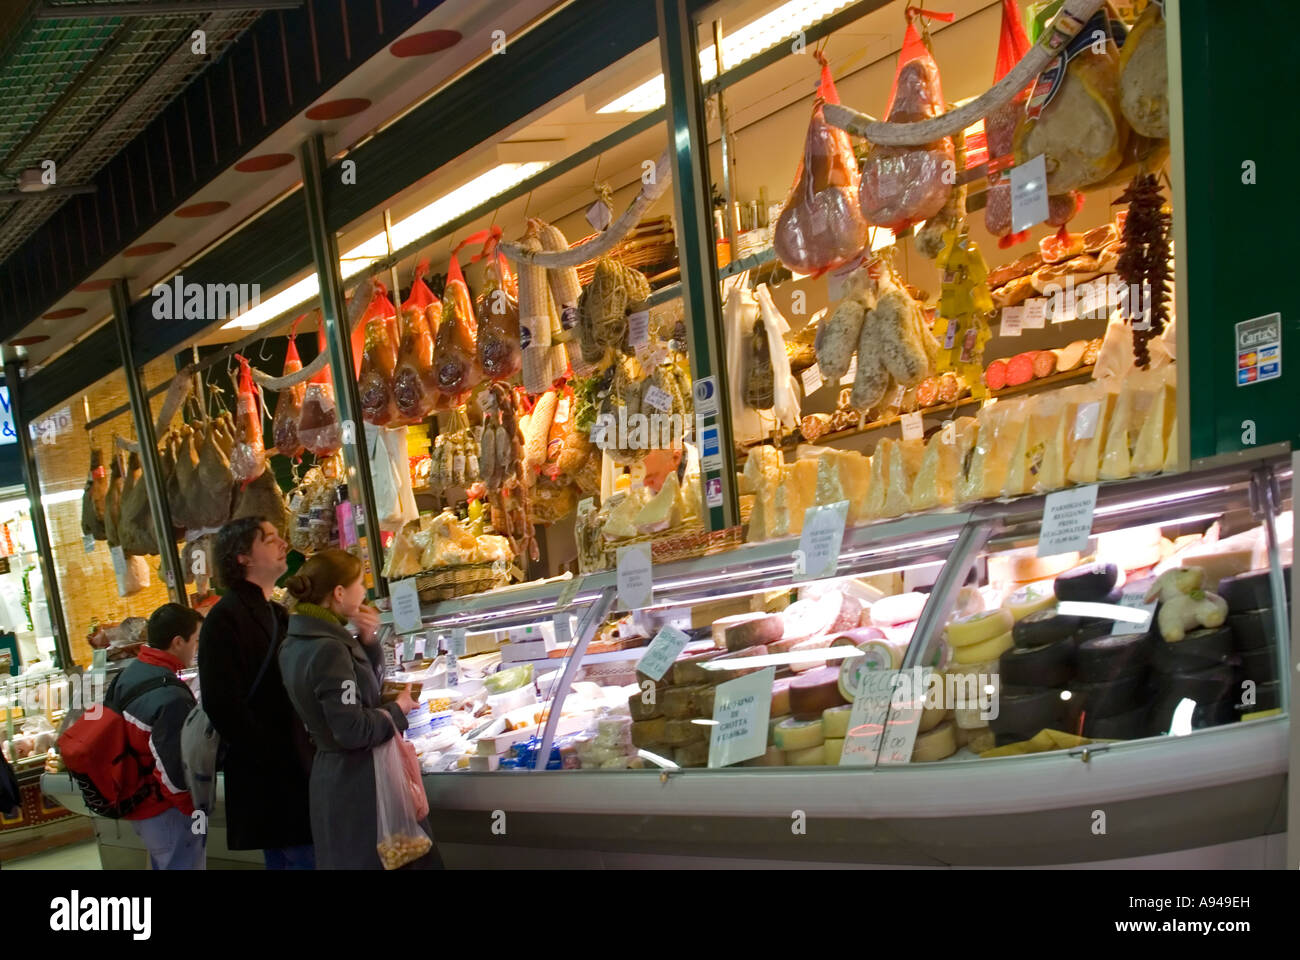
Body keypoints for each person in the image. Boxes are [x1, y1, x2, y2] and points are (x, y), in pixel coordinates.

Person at [279, 549, 440, 870]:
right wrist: (398, 709)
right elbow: (352, 730)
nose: (365, 592)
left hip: (333, 777)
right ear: (339, 593)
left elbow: (355, 695)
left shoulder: (297, 641)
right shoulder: (328, 648)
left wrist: (368, 641)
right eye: (360, 584)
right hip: (360, 782)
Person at [197, 516, 315, 869]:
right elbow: (221, 704)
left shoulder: (275, 612)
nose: (283, 544)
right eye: (269, 539)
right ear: (242, 557)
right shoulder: (224, 619)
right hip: (270, 773)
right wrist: (276, 752)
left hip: (286, 769)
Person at [119, 602, 206, 870]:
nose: (197, 647)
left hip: (140, 803)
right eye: (196, 640)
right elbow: (173, 768)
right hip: (165, 810)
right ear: (178, 642)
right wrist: (194, 808)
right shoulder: (170, 696)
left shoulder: (132, 672)